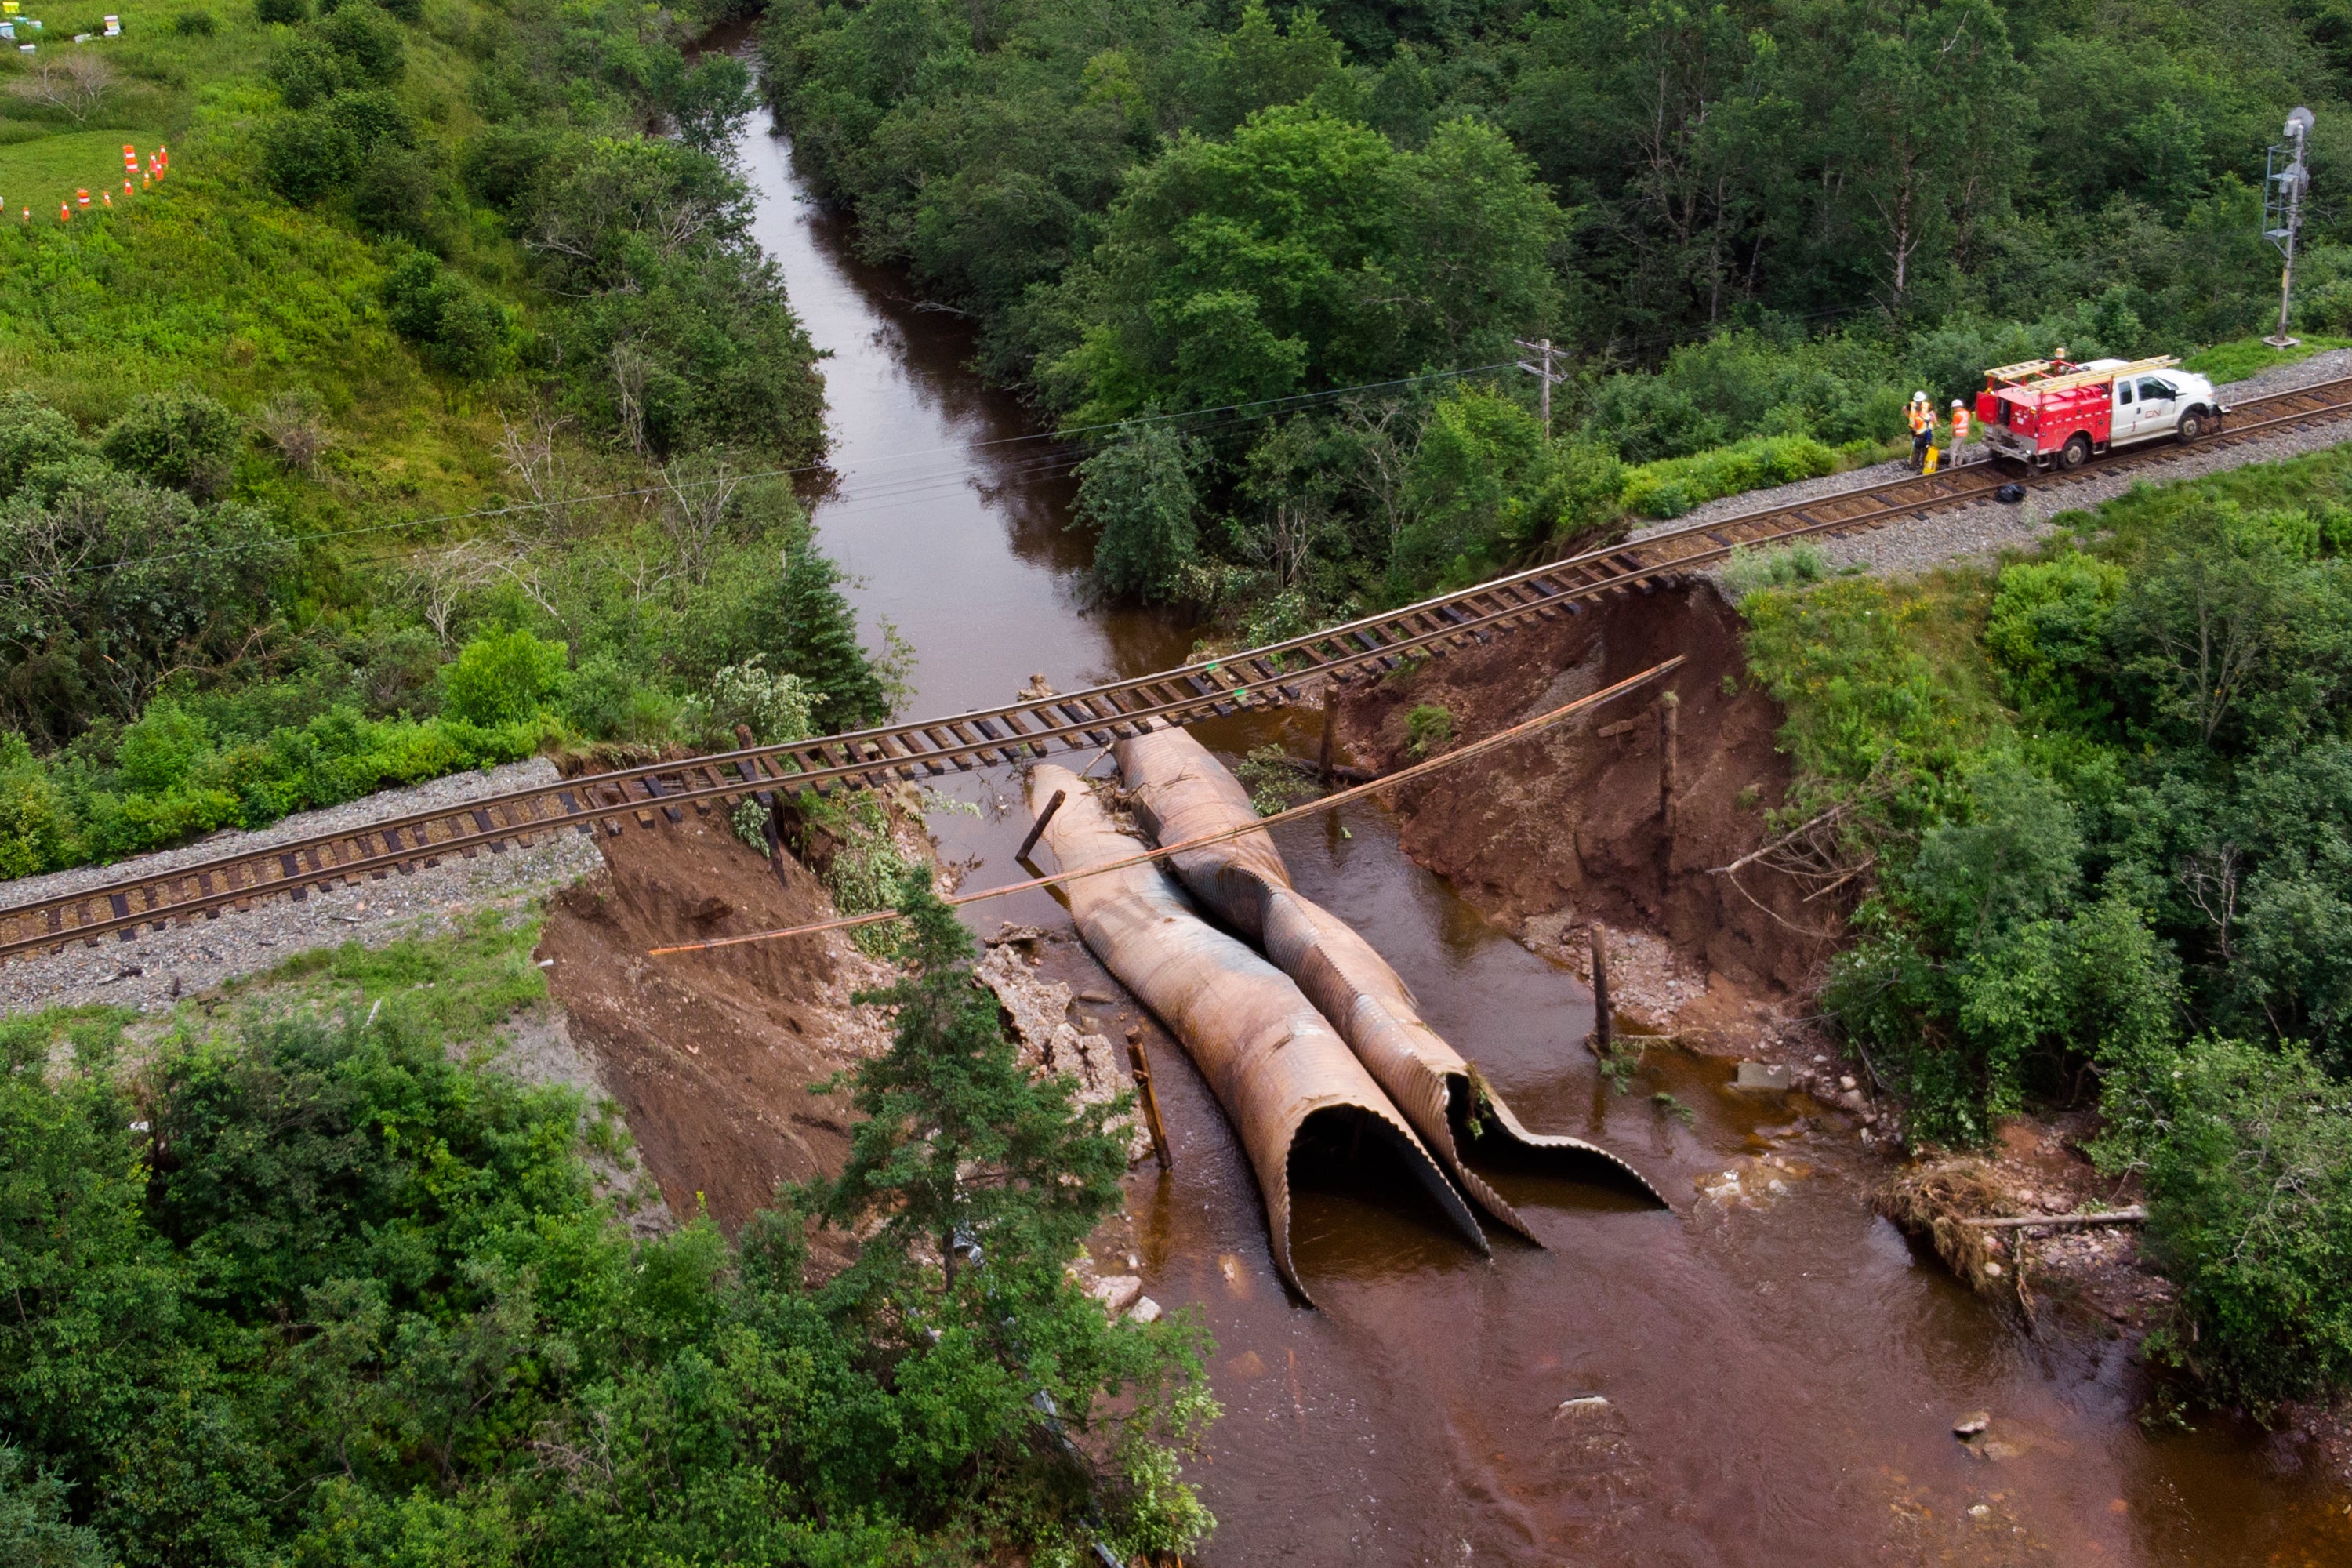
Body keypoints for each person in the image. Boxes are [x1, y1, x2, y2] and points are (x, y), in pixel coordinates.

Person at [1908, 391, 1933, 470]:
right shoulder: (1927, 416)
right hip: (1927, 435)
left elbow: (1915, 428)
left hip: (1919, 435)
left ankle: (1913, 466)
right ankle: (1924, 465)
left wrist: (1913, 429)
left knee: (1916, 450)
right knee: (1925, 450)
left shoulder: (1917, 419)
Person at [1948, 398, 1971, 467]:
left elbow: (1955, 427)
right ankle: (1959, 463)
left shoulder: (1957, 415)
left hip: (1958, 434)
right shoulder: (1966, 413)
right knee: (1961, 449)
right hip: (1965, 433)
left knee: (1953, 449)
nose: (1953, 409)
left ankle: (1952, 464)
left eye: (1953, 408)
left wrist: (1952, 433)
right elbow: (1968, 423)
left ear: (1956, 407)